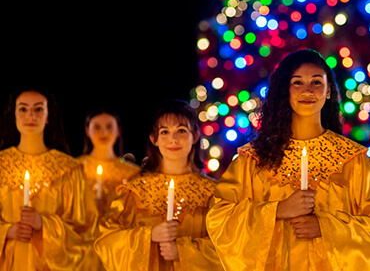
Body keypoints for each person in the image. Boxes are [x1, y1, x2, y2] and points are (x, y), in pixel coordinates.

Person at [206, 49, 370, 271]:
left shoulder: (352, 160)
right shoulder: (253, 159)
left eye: (316, 83)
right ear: (284, 91)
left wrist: (326, 227)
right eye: (297, 83)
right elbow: (219, 217)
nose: (308, 90)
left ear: (328, 91)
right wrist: (278, 210)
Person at [94, 98, 222, 270]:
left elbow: (228, 246)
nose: (173, 139)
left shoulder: (213, 193)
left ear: (195, 136)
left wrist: (185, 251)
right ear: (154, 139)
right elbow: (106, 241)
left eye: (182, 130)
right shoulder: (135, 192)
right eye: (164, 132)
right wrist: (149, 236)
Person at [0, 85, 96, 270]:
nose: (31, 115)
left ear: (48, 116)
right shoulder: (2, 164)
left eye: (38, 109)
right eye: (23, 109)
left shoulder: (69, 170)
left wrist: (45, 224)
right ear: (14, 115)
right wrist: (7, 231)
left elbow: (86, 232)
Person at [76, 107, 141, 271]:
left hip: (117, 251)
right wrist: (89, 210)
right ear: (87, 130)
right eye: (97, 127)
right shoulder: (74, 168)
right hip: (80, 251)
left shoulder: (133, 173)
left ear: (118, 130)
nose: (103, 132)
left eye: (109, 126)